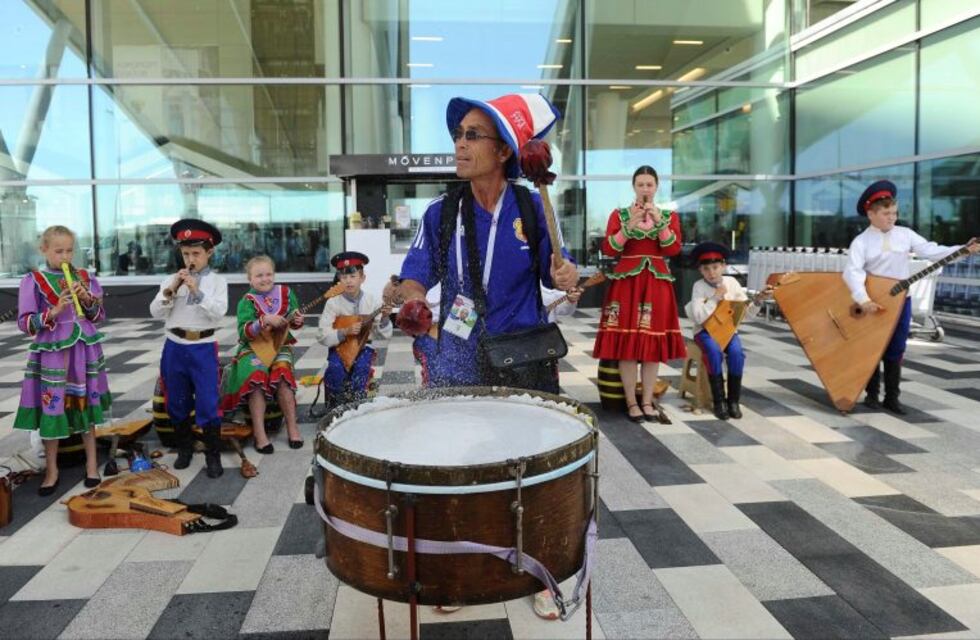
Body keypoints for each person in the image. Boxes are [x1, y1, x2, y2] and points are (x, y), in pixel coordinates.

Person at [386, 93, 579, 395]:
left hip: (523, 354)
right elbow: (416, 275)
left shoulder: (532, 208)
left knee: (523, 439)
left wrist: (566, 274)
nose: (460, 144)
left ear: (503, 151)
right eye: (458, 134)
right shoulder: (442, 212)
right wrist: (415, 300)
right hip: (457, 355)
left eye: (472, 135)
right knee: (460, 436)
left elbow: (559, 268)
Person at [844, 180, 979, 414]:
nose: (892, 218)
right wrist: (863, 300)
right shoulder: (861, 242)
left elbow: (931, 250)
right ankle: (872, 396)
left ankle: (892, 398)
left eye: (894, 213)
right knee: (873, 346)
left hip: (900, 301)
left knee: (897, 347)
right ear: (871, 214)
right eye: (886, 213)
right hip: (872, 302)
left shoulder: (905, 234)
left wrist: (962, 249)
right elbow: (852, 272)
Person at [14, 226, 111, 495]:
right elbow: (25, 323)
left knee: (85, 404)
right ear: (43, 250)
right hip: (53, 352)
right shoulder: (33, 280)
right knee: (52, 407)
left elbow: (98, 315)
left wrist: (86, 299)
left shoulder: (83, 277)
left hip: (83, 348)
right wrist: (54, 311)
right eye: (59, 251)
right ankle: (52, 470)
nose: (65, 256)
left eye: (69, 250)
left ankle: (92, 465)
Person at [592, 166, 686, 423]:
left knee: (651, 346)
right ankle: (632, 403)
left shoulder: (668, 216)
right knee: (627, 347)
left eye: (649, 185)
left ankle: (647, 401)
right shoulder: (619, 214)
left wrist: (659, 222)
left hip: (656, 283)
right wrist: (628, 226)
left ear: (656, 187)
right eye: (641, 184)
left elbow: (673, 248)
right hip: (626, 283)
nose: (645, 189)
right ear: (634, 187)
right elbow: (609, 249)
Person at [149, 219, 229, 478]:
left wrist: (198, 292)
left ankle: (212, 455)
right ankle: (185, 448)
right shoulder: (170, 279)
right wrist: (172, 290)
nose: (190, 259)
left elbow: (218, 313)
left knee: (207, 402)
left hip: (203, 347)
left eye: (196, 253)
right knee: (177, 400)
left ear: (209, 252)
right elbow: (154, 312)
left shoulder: (217, 282)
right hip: (175, 346)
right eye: (186, 254)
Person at [220, 255, 305, 453]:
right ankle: (260, 434)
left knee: (283, 375)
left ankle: (292, 427)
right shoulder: (246, 302)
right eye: (259, 275)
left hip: (279, 345)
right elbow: (243, 332)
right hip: (252, 347)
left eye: (269, 274)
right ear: (249, 279)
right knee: (256, 378)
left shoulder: (285, 293)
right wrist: (263, 320)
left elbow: (294, 322)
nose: (265, 279)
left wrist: (297, 319)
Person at [685, 242, 771, 420]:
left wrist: (758, 301)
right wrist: (716, 298)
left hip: (728, 331)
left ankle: (733, 401)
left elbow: (745, 315)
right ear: (701, 271)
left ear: (723, 266)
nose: (712, 272)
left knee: (737, 353)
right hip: (704, 331)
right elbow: (699, 317)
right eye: (706, 269)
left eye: (715, 267)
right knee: (714, 352)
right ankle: (719, 401)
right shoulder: (699, 287)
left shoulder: (732, 283)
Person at [316, 252, 393, 407]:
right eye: (344, 277)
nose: (348, 281)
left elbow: (384, 335)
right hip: (339, 348)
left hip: (364, 348)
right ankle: (335, 407)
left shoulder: (372, 300)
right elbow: (322, 334)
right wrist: (344, 331)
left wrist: (384, 318)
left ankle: (360, 405)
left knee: (362, 368)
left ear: (362, 278)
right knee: (336, 369)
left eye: (353, 276)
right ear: (339, 279)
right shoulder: (333, 303)